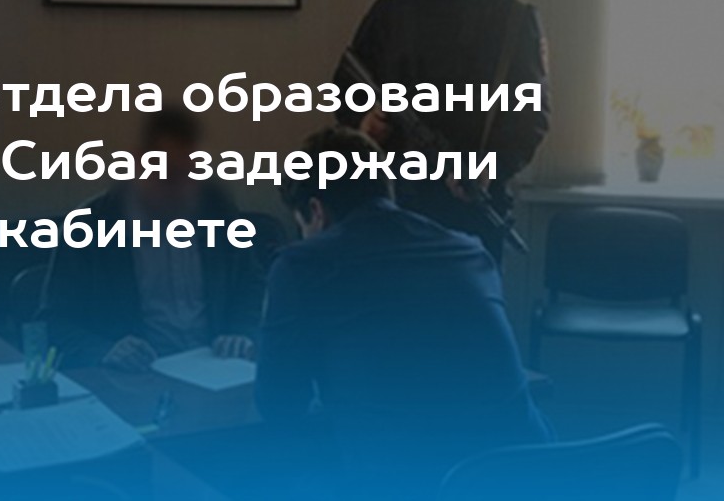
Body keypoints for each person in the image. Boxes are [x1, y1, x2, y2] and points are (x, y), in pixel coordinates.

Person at [257, 127, 552, 499]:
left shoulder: (302, 265)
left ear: (316, 211)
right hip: (530, 472)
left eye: (303, 226)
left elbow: (279, 404)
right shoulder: (469, 252)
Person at [335, 0, 550, 260]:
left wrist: (490, 167)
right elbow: (346, 85)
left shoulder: (511, 15)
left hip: (472, 205)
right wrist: (365, 122)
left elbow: (530, 117)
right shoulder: (393, 7)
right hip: (395, 200)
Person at [40, 109, 265, 370]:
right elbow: (53, 323)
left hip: (216, 366)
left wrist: (242, 332)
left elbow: (252, 285)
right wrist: (105, 350)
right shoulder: (87, 226)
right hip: (135, 374)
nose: (180, 187)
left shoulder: (219, 210)